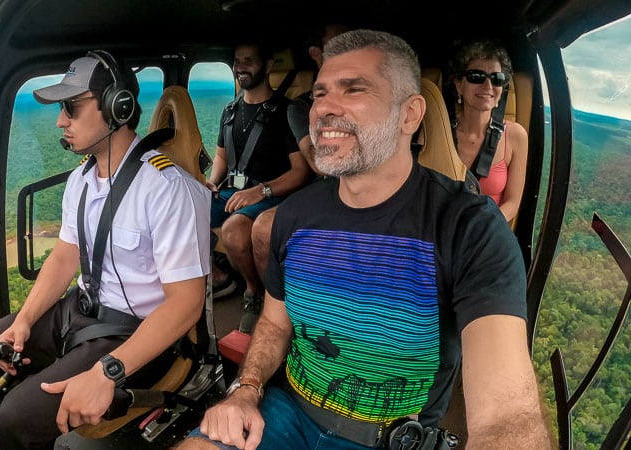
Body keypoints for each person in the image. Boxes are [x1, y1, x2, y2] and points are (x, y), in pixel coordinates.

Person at [176, 29, 551, 450]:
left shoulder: (469, 228)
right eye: (319, 94)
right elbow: (276, 321)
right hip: (285, 412)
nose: (323, 109)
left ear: (410, 115)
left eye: (354, 90)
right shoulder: (295, 216)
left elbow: (507, 416)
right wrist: (245, 390)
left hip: (389, 439)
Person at [0, 50, 211, 450]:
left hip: (137, 337)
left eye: (71, 107)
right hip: (78, 312)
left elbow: (186, 304)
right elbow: (66, 255)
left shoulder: (168, 190)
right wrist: (26, 320)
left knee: (15, 418)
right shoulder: (82, 178)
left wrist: (108, 372)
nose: (61, 120)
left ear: (118, 106)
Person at [207, 40, 311, 333]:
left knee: (233, 231)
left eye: (249, 60)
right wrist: (212, 183)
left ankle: (255, 291)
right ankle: (218, 278)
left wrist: (260, 191)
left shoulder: (286, 112)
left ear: (267, 66)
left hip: (273, 194)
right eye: (237, 61)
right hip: (234, 191)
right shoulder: (229, 111)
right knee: (182, 212)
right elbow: (221, 156)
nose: (241, 67)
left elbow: (301, 172)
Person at [250, 23, 349, 284]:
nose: (349, 50)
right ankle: (272, 301)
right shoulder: (301, 107)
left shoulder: (367, 99)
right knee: (262, 227)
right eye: (339, 44)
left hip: (371, 188)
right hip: (327, 190)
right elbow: (319, 163)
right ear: (317, 54)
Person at [448, 39, 528, 222]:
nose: (488, 86)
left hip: (487, 235)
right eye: (476, 77)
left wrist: (480, 231)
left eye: (497, 79)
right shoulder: (439, 130)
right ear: (459, 85)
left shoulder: (515, 136)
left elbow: (512, 203)